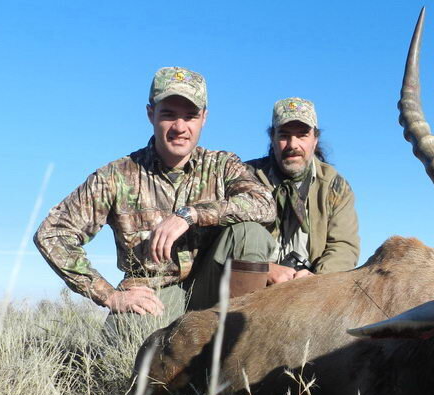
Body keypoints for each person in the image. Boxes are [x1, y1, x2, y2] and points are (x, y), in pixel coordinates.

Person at [34, 67, 277, 334]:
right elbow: (53, 234)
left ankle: (237, 346)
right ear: (151, 114)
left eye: (191, 116)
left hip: (213, 290)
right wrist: (110, 296)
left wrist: (190, 215)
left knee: (250, 233)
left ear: (204, 118)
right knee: (127, 356)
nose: (180, 127)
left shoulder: (223, 165)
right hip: (154, 296)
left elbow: (264, 204)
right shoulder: (117, 175)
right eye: (169, 115)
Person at [245, 97, 359, 285]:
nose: (293, 145)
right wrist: (263, 269)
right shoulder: (246, 176)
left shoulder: (335, 187)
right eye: (284, 135)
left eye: (302, 135)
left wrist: (315, 281)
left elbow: (344, 246)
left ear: (315, 139)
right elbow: (227, 240)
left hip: (310, 289)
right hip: (252, 284)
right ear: (271, 137)